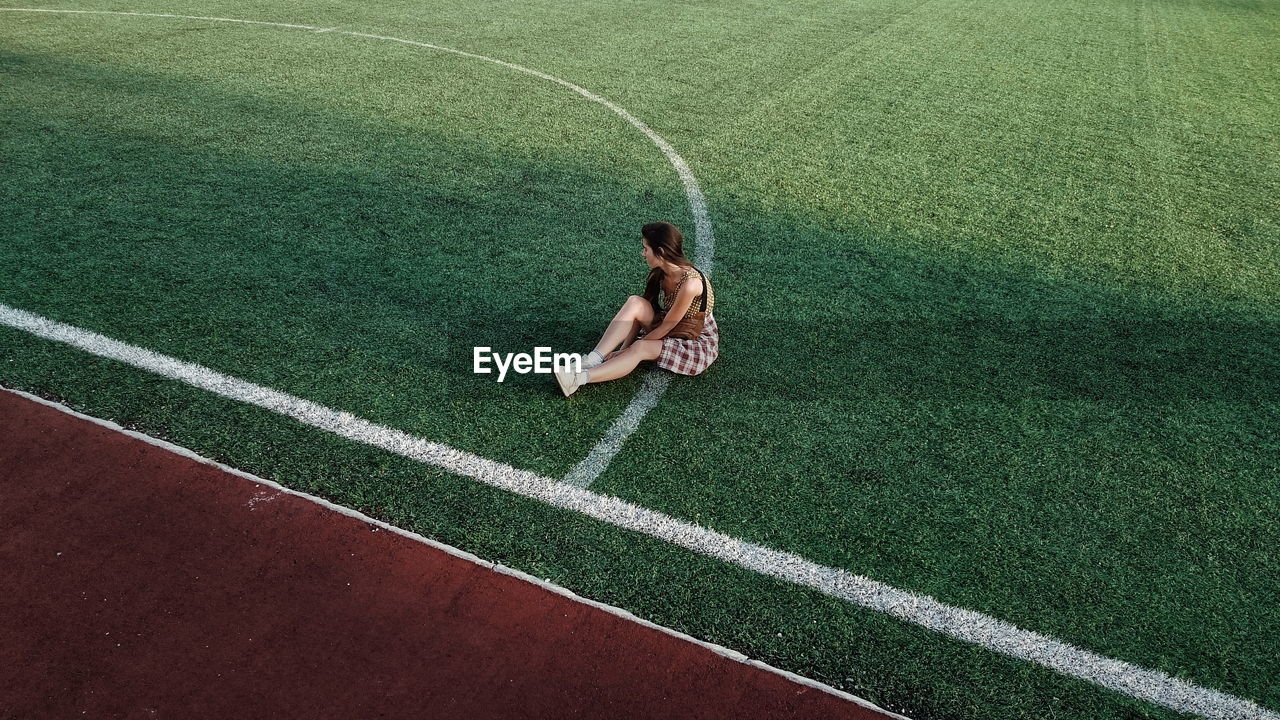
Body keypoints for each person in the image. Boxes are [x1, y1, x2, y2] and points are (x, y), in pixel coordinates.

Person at [555, 221, 718, 397]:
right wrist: (622, 350)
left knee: (640, 347)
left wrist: (626, 351)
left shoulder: (690, 284)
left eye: (646, 249)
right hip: (671, 326)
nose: (643, 254)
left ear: (661, 252)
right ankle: (593, 360)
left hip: (693, 342)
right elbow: (637, 321)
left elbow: (666, 327)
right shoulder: (662, 274)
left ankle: (577, 379)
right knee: (635, 302)